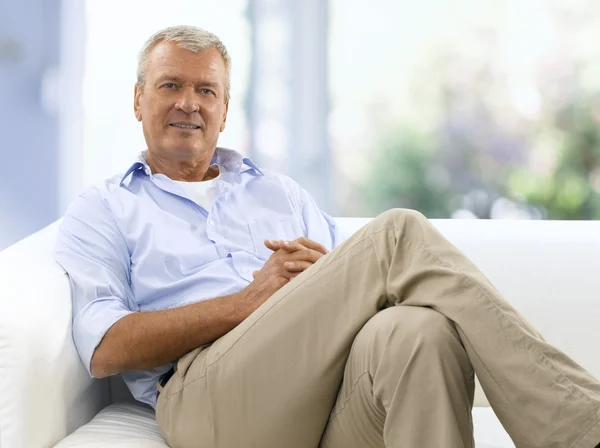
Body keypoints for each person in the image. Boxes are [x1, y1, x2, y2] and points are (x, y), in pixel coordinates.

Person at [54, 25, 600, 448]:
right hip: (209, 407)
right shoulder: (104, 206)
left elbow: (352, 297)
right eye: (170, 85)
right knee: (397, 234)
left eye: (206, 90)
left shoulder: (281, 195)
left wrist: (315, 290)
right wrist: (250, 301)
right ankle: (580, 425)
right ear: (137, 100)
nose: (188, 103)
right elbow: (105, 350)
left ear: (223, 111)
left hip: (321, 399)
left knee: (418, 332)